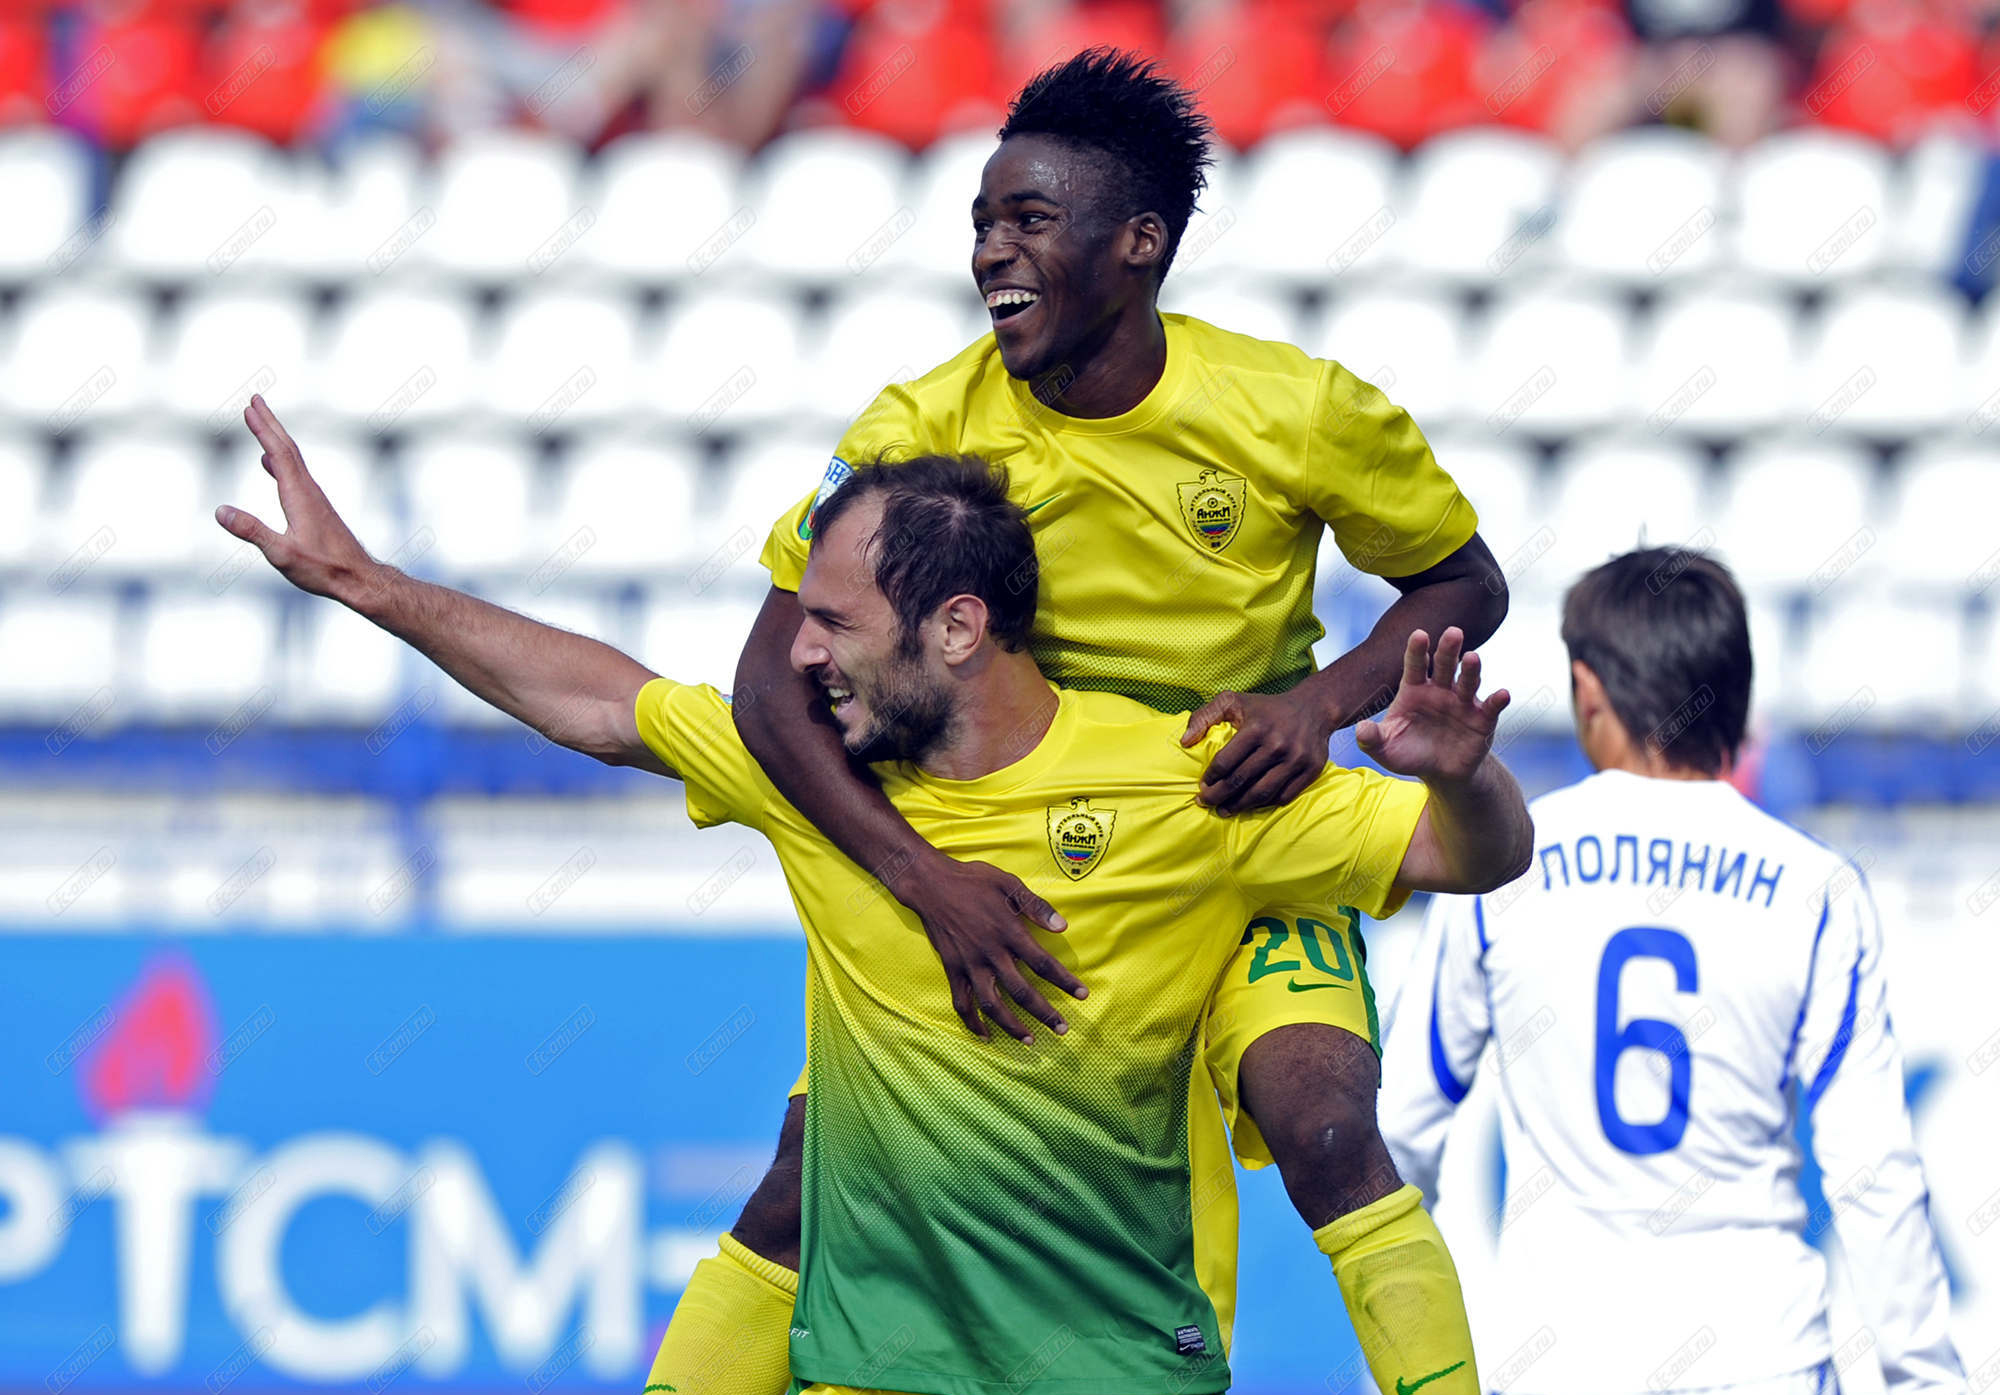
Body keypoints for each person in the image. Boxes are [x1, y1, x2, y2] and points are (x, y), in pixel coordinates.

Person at [213, 400, 1535, 1394]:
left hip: (1120, 1367)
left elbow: (1473, 855)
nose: (795, 654)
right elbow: (599, 702)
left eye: (832, 623)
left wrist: (1461, 775)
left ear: (956, 628)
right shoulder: (820, 780)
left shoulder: (1184, 782)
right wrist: (366, 586)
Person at [662, 46, 1511, 1395]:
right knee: (808, 1179)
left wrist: (1315, 704)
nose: (992, 252)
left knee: (1327, 1128)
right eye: (981, 224)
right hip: (1017, 856)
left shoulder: (1295, 409)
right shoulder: (922, 424)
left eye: (1029, 220)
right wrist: (922, 876)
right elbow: (772, 682)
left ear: (1138, 242)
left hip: (1240, 822)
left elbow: (1465, 580)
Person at [1378, 548, 1966, 1395]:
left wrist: (1408, 1357)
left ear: (1588, 691)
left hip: (1556, 1365)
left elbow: (1401, 1136)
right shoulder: (1817, 890)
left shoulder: (1498, 866)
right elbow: (1874, 1176)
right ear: (1735, 692)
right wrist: (1926, 1378)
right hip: (1763, 1362)